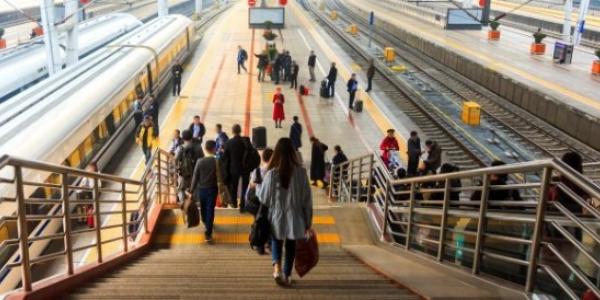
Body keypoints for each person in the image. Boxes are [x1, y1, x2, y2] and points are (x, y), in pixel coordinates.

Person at [257, 138, 313, 286]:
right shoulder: (301, 173)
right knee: (291, 245)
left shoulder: (271, 173)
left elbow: (264, 198)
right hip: (295, 217)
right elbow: (307, 200)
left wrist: (257, 187)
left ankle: (277, 269)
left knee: (276, 240)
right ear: (293, 153)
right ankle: (287, 276)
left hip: (276, 215)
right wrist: (308, 221)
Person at [189, 140, 219, 243]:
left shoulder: (200, 161)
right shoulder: (216, 161)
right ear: (214, 149)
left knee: (203, 208)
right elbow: (220, 177)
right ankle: (208, 233)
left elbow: (195, 177)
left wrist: (191, 190)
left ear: (205, 149)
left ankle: (206, 222)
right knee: (210, 209)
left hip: (201, 190)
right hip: (213, 189)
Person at [221, 124, 250, 211]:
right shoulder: (246, 141)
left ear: (232, 131)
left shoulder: (228, 143)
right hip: (245, 167)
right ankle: (243, 205)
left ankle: (234, 203)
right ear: (240, 131)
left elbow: (225, 158)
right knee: (245, 186)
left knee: (234, 186)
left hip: (233, 168)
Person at [176, 129, 204, 203]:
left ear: (183, 138)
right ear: (191, 137)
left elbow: (176, 160)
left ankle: (183, 203)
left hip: (185, 173)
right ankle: (196, 204)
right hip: (196, 172)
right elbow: (202, 159)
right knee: (195, 189)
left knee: (181, 189)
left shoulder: (180, 148)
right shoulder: (198, 147)